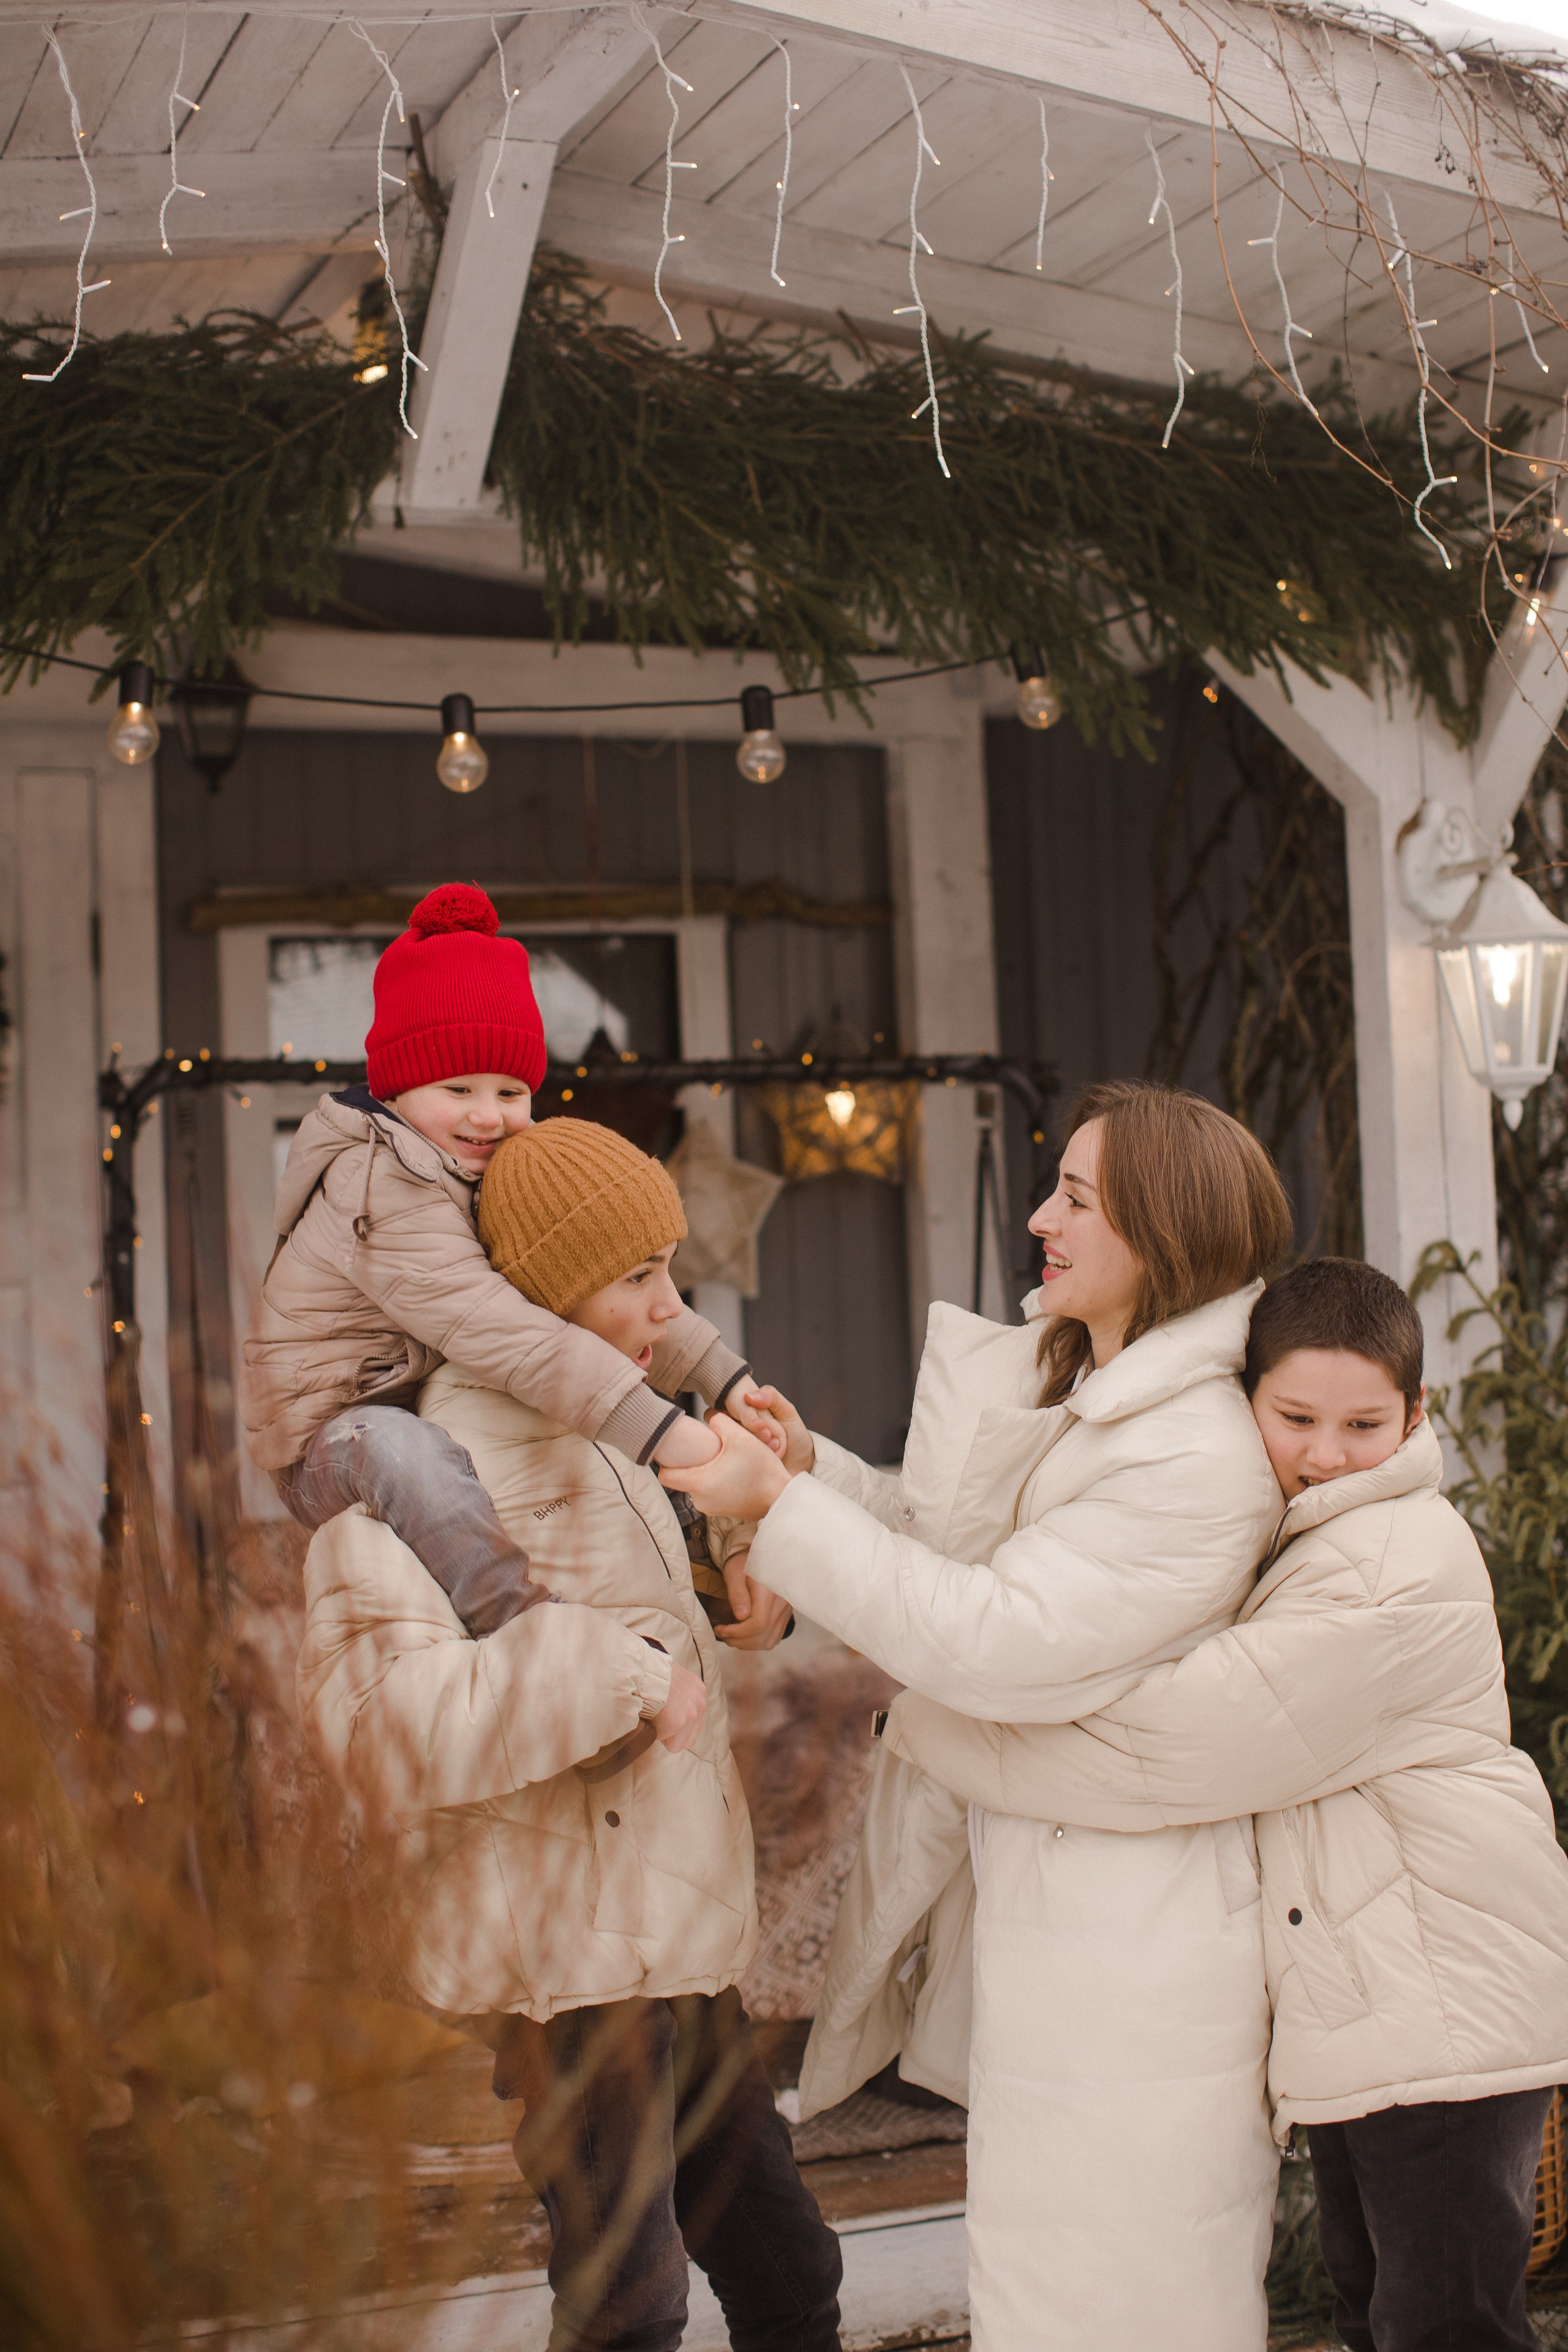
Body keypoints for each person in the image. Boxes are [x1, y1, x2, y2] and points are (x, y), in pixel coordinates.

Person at [673, 1079, 1295, 2352]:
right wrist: (810, 1474)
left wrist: (781, 1521)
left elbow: (994, 1641)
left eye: (1073, 1195)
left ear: (1163, 1227)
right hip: (1057, 1927)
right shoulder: (1098, 1399)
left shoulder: (1191, 1455)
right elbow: (941, 1554)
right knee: (1044, 2294)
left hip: (1141, 1953)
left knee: (1133, 2303)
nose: (1035, 1217)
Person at [880, 1255, 1568, 2352]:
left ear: (1417, 1413)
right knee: (1379, 2308)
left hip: (1444, 2004)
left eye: (1362, 1425)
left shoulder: (1390, 1563)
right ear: (1244, 1396)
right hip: (1380, 2005)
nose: (1324, 1454)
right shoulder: (1311, 1537)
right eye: (1295, 1417)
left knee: (1444, 2323)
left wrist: (926, 1720)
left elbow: (1167, 1751)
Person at [296, 1118, 842, 2352]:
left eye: (670, 1269)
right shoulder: (414, 1468)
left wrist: (744, 1588)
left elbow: (652, 1615)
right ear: (540, 1291)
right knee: (628, 2312)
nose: (670, 1306)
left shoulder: (620, 1434)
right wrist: (620, 1676)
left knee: (791, 2274)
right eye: (637, 1277)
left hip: (676, 1947)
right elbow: (378, 1730)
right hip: (566, 1981)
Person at [241, 881, 783, 1643]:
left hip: (432, 1393)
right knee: (407, 1448)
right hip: (335, 1432)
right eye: (457, 1088)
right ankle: (529, 1631)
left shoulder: (481, 1167)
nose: (487, 1115)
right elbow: (511, 1336)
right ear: (398, 1091)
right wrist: (678, 1436)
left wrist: (724, 1377)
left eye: (511, 1090)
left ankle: (687, 1545)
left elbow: (601, 1280)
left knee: (580, 1375)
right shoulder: (380, 1186)